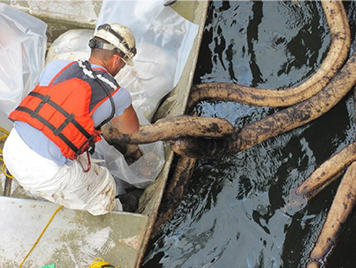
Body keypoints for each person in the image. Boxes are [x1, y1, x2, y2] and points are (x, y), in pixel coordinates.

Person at [3, 22, 140, 215]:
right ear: (117, 59)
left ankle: (43, 188)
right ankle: (116, 210)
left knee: (70, 155)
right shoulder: (116, 94)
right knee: (104, 182)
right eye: (124, 63)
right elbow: (130, 129)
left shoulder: (57, 66)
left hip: (12, 149)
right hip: (45, 173)